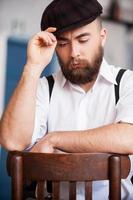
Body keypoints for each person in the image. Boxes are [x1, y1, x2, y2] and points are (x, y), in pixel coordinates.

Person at [0, 0, 133, 199]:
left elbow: (129, 137)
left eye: (83, 39)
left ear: (102, 37)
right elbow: (12, 141)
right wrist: (33, 66)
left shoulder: (127, 82)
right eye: (63, 43)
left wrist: (54, 139)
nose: (74, 53)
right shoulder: (44, 88)